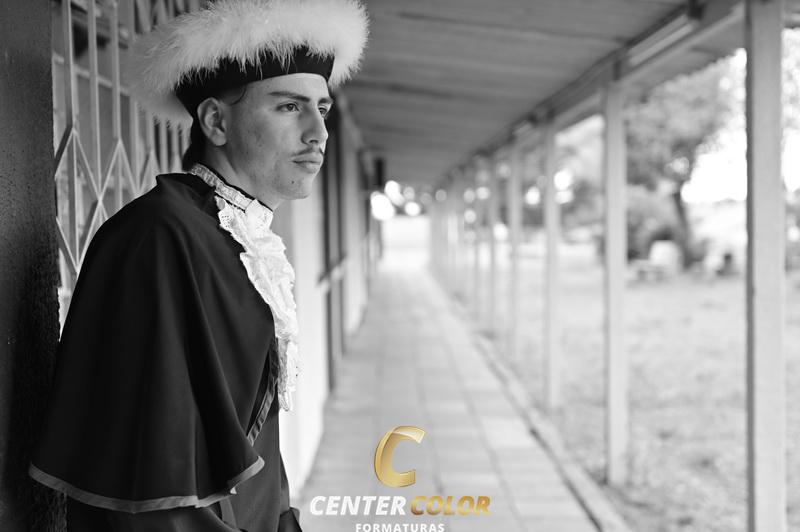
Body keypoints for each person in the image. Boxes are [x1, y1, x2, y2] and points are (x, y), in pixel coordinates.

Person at [28, 0, 368, 530]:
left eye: (321, 109)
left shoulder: (240, 237)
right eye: (289, 107)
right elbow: (157, 479)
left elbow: (252, 429)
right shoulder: (161, 237)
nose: (318, 134)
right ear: (215, 121)